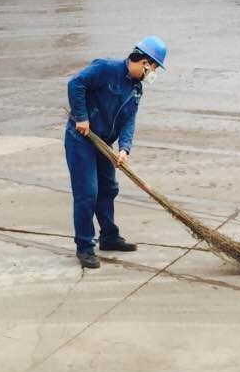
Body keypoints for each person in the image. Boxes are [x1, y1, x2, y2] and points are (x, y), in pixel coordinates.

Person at [65, 36, 167, 269]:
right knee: (87, 193)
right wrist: (81, 117)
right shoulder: (105, 68)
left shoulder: (136, 89)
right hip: (81, 139)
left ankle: (109, 237)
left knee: (109, 188)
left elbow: (129, 120)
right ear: (144, 62)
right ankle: (84, 247)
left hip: (104, 144)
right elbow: (75, 84)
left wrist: (124, 149)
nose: (153, 73)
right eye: (153, 67)